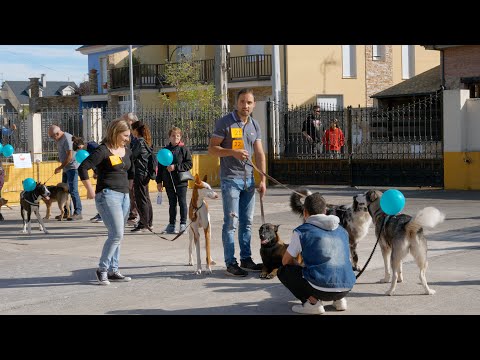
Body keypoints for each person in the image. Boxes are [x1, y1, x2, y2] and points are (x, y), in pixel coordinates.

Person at [208, 88, 266, 277]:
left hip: (249, 180)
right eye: (242, 102)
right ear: (237, 103)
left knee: (247, 222)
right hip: (231, 179)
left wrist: (263, 179)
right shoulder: (225, 122)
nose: (245, 106)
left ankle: (246, 259)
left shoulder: (255, 125)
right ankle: (230, 263)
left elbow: (259, 153)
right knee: (231, 222)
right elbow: (213, 149)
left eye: (249, 102)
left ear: (254, 104)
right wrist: (232, 152)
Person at [277, 192, 356, 315]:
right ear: (325, 211)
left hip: (320, 288)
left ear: (305, 213)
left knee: (284, 271)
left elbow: (285, 261)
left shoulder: (302, 231)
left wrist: (300, 267)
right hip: (347, 286)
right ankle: (339, 300)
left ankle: (312, 303)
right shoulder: (342, 230)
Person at [78, 117, 135, 285]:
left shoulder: (127, 150)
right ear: (115, 133)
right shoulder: (103, 150)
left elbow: (130, 170)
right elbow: (83, 168)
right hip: (108, 195)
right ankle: (102, 269)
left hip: (124, 196)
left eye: (128, 136)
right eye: (124, 135)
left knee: (118, 235)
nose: (127, 139)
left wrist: (130, 187)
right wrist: (89, 189)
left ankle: (113, 270)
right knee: (117, 234)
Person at [156, 126, 193, 234]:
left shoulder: (183, 149)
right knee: (172, 203)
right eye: (173, 135)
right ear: (169, 137)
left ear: (180, 137)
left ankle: (183, 224)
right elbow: (160, 167)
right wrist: (159, 182)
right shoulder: (165, 150)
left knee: (182, 202)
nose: (175, 137)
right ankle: (171, 225)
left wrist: (175, 167)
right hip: (168, 181)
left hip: (181, 181)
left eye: (178, 135)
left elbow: (189, 164)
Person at [48, 125, 82, 220]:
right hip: (66, 168)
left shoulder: (67, 138)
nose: (52, 139)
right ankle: (66, 212)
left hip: (72, 168)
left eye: (52, 136)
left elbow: (69, 156)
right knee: (64, 191)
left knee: (73, 190)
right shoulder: (59, 139)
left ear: (57, 133)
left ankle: (78, 212)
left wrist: (60, 167)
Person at [72, 136, 102, 223]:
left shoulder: (93, 146)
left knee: (101, 194)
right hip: (99, 171)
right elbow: (90, 161)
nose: (79, 153)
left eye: (78, 151)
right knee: (99, 194)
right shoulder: (87, 150)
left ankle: (103, 215)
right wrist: (95, 171)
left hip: (104, 172)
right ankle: (100, 213)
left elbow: (99, 158)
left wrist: (97, 170)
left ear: (80, 147)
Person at [131, 121, 154, 232]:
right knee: (146, 198)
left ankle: (143, 224)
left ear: (136, 130)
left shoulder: (139, 142)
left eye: (132, 129)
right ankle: (148, 222)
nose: (131, 132)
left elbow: (132, 156)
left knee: (141, 199)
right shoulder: (146, 141)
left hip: (139, 173)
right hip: (145, 173)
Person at [122, 112, 140, 226]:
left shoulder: (137, 134)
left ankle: (135, 215)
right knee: (129, 192)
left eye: (126, 120)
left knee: (134, 193)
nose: (123, 122)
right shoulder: (126, 134)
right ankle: (131, 213)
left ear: (131, 122)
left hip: (136, 168)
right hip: (127, 167)